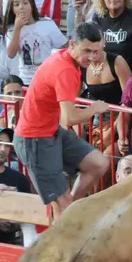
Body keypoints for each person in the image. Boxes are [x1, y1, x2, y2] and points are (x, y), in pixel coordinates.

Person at [12, 22, 110, 220]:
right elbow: (69, 117)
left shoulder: (66, 59)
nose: (92, 57)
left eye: (96, 51)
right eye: (87, 51)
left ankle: (70, 209)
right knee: (61, 204)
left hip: (50, 131)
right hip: (34, 140)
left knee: (98, 164)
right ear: (72, 45)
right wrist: (94, 108)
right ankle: (66, 219)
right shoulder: (64, 70)